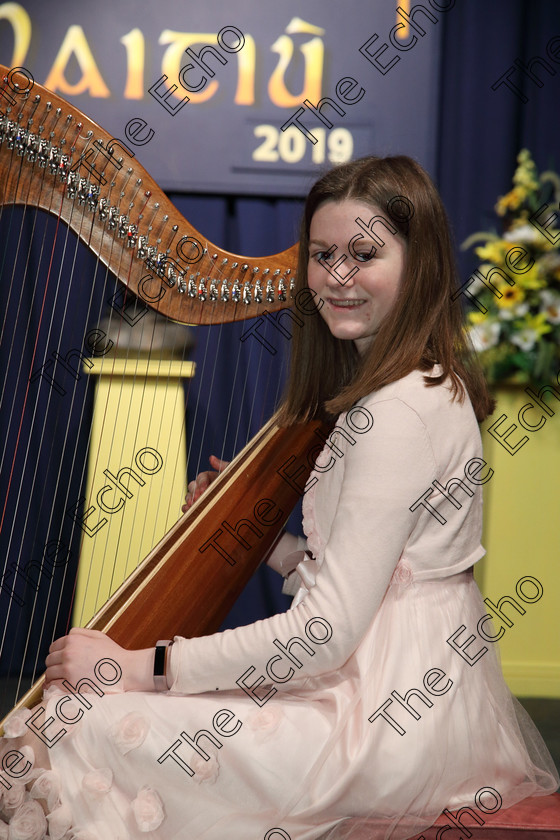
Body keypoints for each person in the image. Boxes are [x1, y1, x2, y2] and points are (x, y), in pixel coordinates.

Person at [1, 156, 557, 840]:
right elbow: (381, 578)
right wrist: (275, 545)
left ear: (423, 266)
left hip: (375, 726)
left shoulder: (394, 415)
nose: (337, 276)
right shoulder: (422, 385)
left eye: (364, 253)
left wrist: (140, 667)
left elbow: (319, 637)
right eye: (323, 255)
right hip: (409, 697)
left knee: (68, 719)